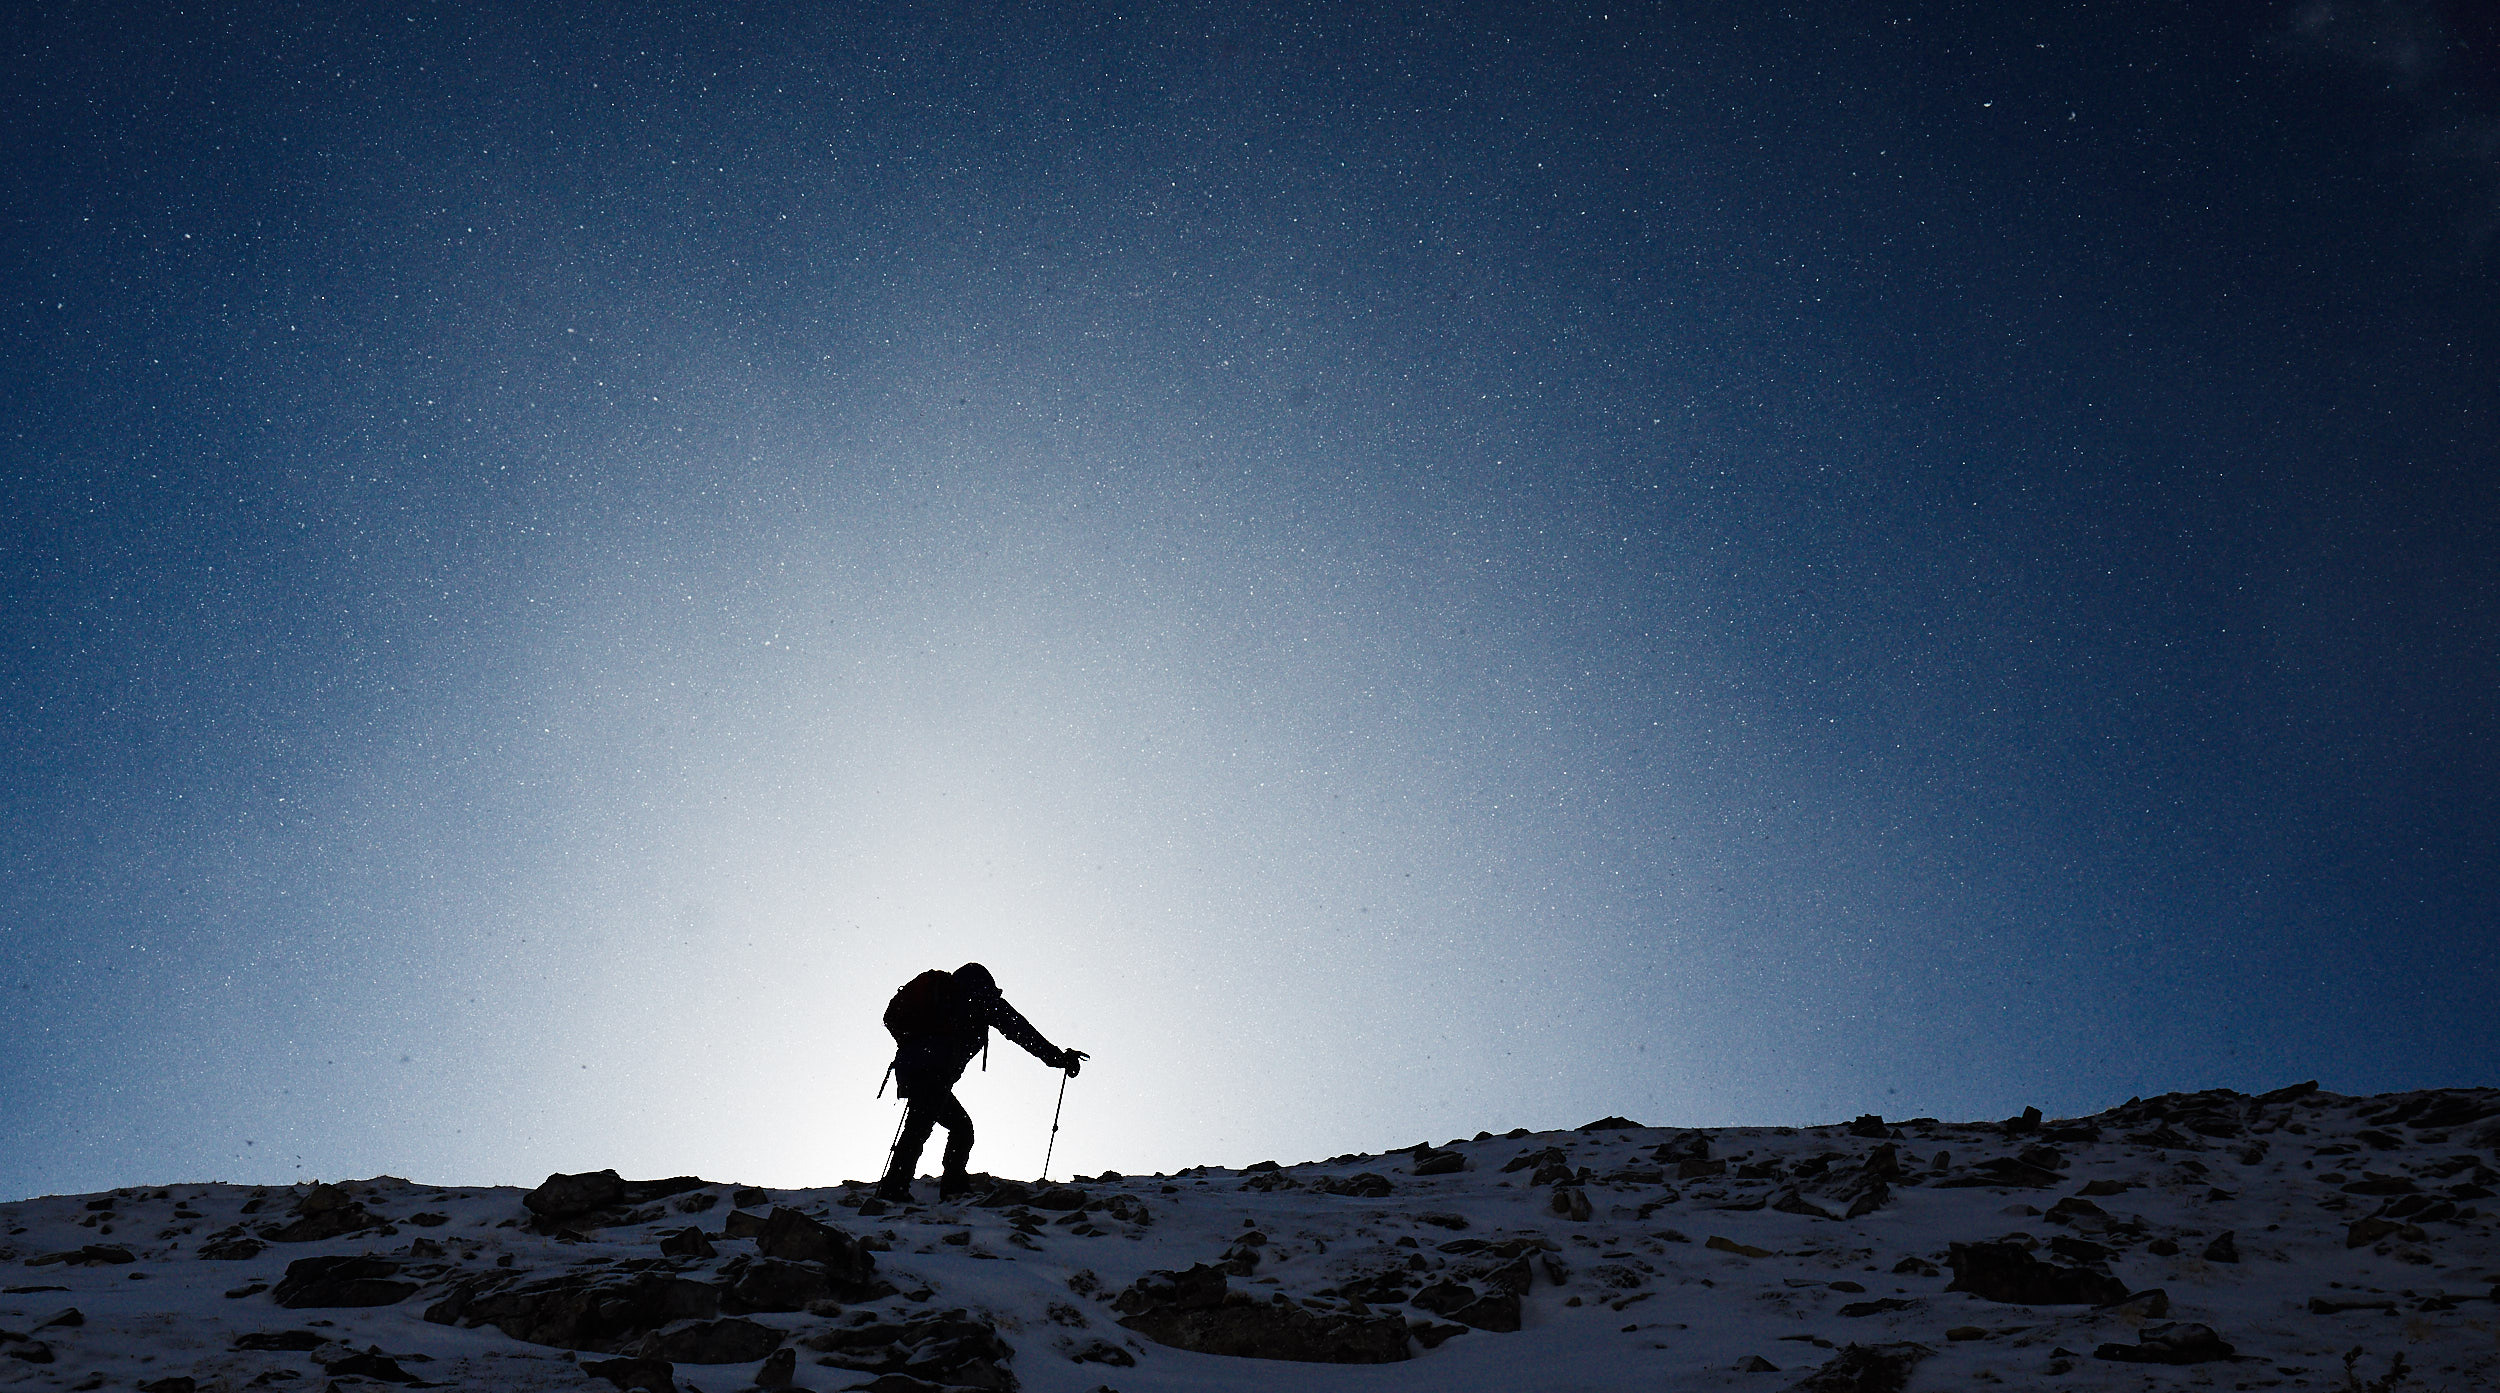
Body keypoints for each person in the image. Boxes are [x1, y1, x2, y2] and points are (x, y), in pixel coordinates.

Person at [878, 962, 1085, 1202]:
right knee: (929, 1128)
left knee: (946, 1127)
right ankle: (907, 1188)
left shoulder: (946, 1001)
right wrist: (1058, 1058)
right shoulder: (981, 998)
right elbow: (1020, 1030)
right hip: (934, 1071)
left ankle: (913, 1186)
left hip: (912, 1067)